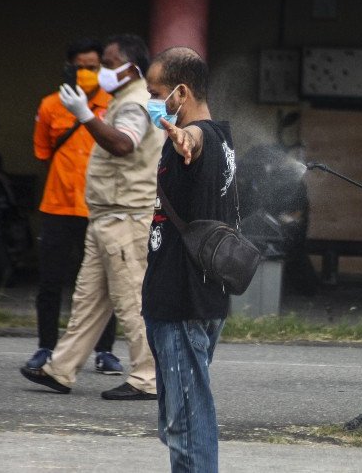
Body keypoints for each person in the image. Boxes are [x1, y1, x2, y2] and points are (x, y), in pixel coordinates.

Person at [20, 34, 162, 399]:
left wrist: (83, 115)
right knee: (88, 301)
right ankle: (61, 370)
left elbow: (123, 144)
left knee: (132, 301)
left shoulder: (135, 103)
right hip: (108, 216)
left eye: (108, 65)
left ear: (131, 69)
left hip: (125, 218)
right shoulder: (123, 99)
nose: (101, 72)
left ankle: (148, 378)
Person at [141, 47, 236, 472]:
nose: (151, 102)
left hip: (183, 300)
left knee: (187, 428)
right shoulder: (224, 137)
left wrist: (184, 138)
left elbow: (192, 143)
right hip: (196, 297)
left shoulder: (199, 137)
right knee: (182, 422)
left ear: (181, 92)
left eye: (155, 93)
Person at [27, 38, 122, 375]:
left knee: (105, 284)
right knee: (50, 282)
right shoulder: (51, 105)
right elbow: (42, 151)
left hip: (100, 207)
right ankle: (45, 348)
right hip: (57, 207)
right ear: (70, 68)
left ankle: (105, 351)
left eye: (93, 67)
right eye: (81, 67)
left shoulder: (115, 105)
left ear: (103, 69)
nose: (87, 73)